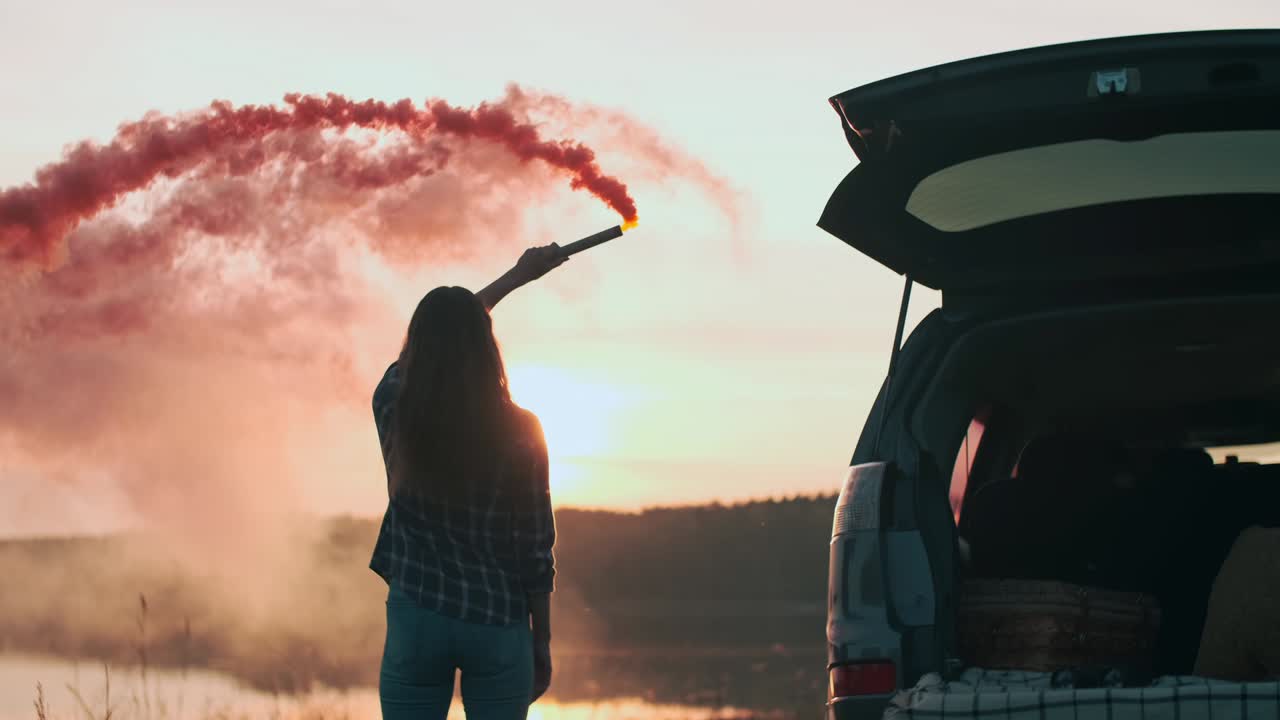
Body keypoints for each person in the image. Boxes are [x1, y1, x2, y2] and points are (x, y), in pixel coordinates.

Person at [370, 244, 569, 720]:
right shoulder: (523, 430)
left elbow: (427, 351)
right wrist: (539, 641)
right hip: (496, 621)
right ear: (487, 347)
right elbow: (535, 549)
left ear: (417, 346)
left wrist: (511, 279)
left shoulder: (394, 406)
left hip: (417, 613)